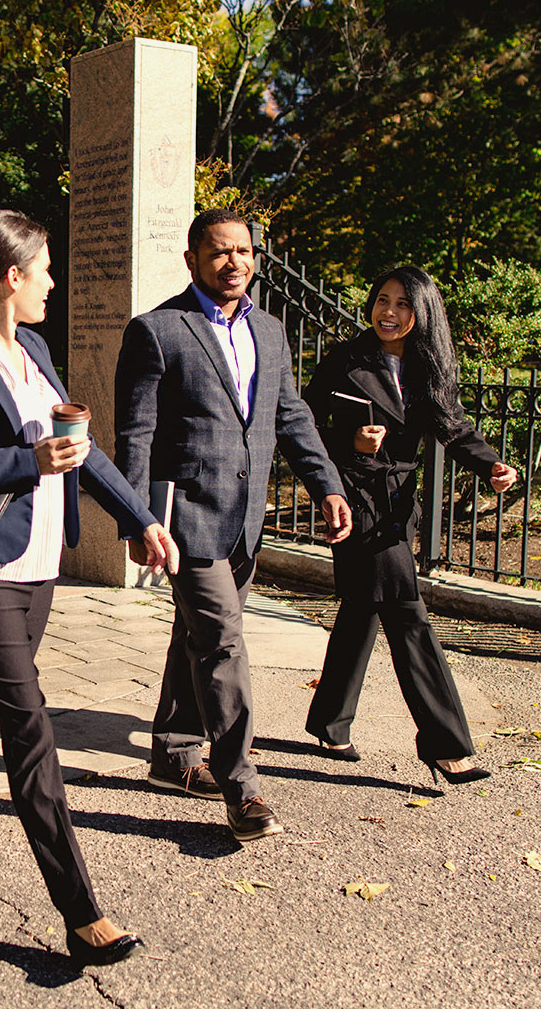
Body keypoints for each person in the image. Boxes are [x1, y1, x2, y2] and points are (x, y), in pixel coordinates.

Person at [0, 209, 181, 966]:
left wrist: (138, 517)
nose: (54, 282)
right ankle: (81, 913)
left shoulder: (35, 348)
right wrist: (25, 460)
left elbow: (78, 450)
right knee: (29, 730)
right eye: (45, 270)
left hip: (40, 564)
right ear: (11, 277)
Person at [114, 209, 353, 842]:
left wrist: (325, 483)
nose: (234, 262)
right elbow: (134, 433)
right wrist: (136, 519)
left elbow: (291, 415)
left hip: (245, 518)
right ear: (192, 259)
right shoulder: (159, 330)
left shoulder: (270, 331)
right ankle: (241, 786)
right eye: (219, 252)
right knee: (222, 640)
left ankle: (171, 753)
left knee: (195, 634)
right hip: (186, 514)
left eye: (244, 251)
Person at [301, 265, 518, 785]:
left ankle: (329, 722)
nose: (388, 312)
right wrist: (349, 443)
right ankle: (446, 744)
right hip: (353, 499)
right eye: (381, 300)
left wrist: (489, 464)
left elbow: (453, 425)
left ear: (422, 313)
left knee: (360, 608)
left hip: (398, 505)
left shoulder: (428, 366)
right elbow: (301, 423)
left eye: (401, 304)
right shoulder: (345, 358)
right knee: (405, 610)